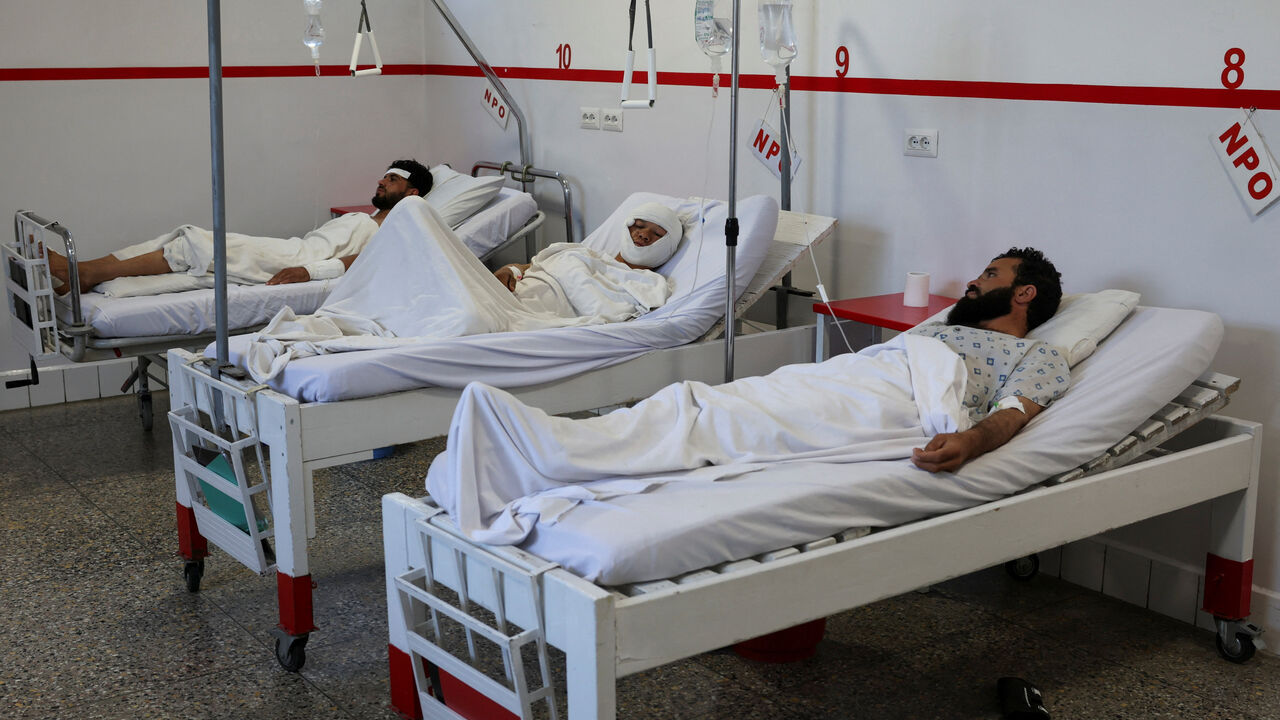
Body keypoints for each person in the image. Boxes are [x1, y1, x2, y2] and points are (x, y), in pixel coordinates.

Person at [425, 247, 1070, 543]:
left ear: (1023, 295)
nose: (973, 278)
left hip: (896, 400)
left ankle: (543, 448)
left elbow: (1015, 414)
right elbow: (894, 353)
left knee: (726, 422)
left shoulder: (1038, 356)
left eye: (990, 274)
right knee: (709, 401)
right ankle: (546, 446)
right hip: (861, 373)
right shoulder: (941, 330)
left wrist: (968, 439)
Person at [242, 198, 688, 382]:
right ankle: (339, 290)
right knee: (413, 211)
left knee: (466, 321)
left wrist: (567, 274)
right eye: (638, 227)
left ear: (667, 243)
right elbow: (528, 265)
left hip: (518, 317)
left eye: (655, 234)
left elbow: (606, 316)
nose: (643, 237)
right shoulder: (576, 249)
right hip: (501, 291)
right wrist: (510, 271)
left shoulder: (649, 283)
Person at [45, 159, 432, 295]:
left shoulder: (398, 228)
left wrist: (308, 271)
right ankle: (83, 272)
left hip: (297, 260)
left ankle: (81, 272)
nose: (381, 182)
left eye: (392, 180)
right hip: (291, 247)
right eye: (383, 177)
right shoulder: (363, 218)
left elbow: (359, 261)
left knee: (194, 246)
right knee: (182, 238)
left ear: (412, 193)